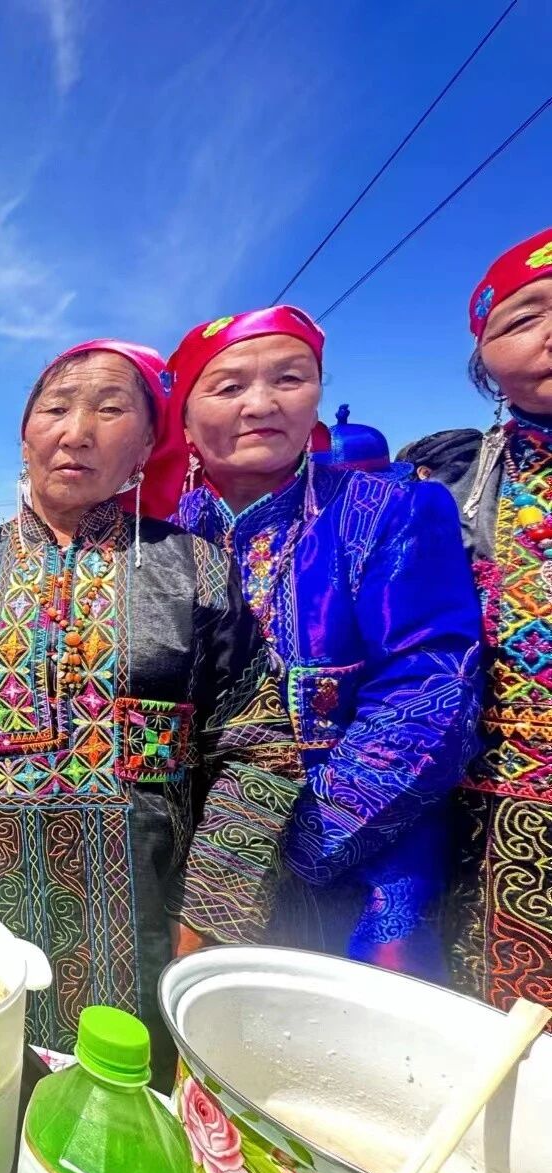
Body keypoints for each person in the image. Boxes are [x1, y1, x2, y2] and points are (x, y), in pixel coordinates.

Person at [0, 339, 296, 1070]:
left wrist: (210, 917)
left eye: (110, 409)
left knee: (114, 1135)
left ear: (149, 442)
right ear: (25, 434)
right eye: (55, 408)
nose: (77, 431)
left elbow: (259, 751)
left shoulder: (195, 569)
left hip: (147, 924)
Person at [172, 306, 482, 980]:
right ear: (186, 421)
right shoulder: (166, 536)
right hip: (194, 858)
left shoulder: (387, 510)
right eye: (227, 387)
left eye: (289, 378)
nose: (261, 404)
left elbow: (430, 689)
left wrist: (300, 837)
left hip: (354, 854)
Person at [404, 226, 552, 1010]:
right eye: (523, 317)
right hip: (487, 819)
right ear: (485, 358)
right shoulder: (452, 492)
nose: (550, 331)